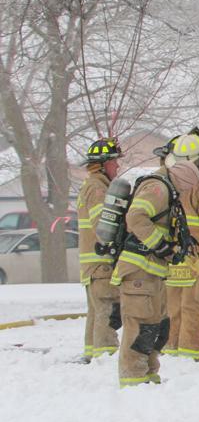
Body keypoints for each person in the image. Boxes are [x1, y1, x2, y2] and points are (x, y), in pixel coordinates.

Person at [112, 156, 199, 386]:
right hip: (138, 271)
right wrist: (160, 245)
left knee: (155, 327)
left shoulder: (166, 190)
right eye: (185, 189)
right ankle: (133, 381)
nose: (184, 194)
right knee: (139, 326)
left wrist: (173, 249)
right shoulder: (158, 188)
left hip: (151, 273)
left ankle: (149, 376)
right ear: (181, 181)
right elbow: (135, 217)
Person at [161, 133, 199, 364]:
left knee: (173, 314)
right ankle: (192, 361)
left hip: (174, 264)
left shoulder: (169, 186)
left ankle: (172, 358)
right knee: (195, 313)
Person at [77, 137, 123, 363]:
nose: (118, 166)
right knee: (106, 310)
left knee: (96, 312)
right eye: (114, 161)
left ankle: (91, 354)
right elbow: (103, 227)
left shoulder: (91, 185)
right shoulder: (98, 189)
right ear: (103, 164)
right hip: (101, 264)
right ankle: (106, 356)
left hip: (92, 266)